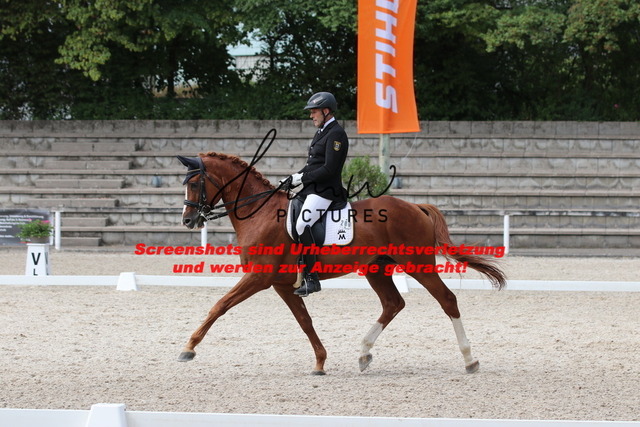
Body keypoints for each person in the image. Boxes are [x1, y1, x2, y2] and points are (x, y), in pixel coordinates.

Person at [282, 91, 349, 296]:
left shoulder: (336, 134)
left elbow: (329, 169)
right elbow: (313, 164)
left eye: (314, 112)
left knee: (302, 224)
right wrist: (294, 177)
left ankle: (312, 278)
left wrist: (303, 179)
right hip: (313, 189)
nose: (311, 116)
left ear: (326, 111)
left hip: (327, 191)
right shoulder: (322, 131)